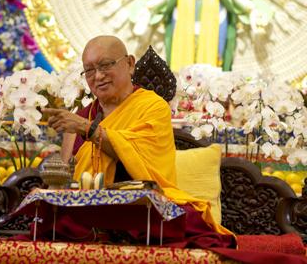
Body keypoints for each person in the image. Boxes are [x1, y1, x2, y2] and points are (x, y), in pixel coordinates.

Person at [43, 35, 234, 246]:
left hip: (142, 210)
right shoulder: (82, 117)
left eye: (105, 65)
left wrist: (86, 129)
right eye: (89, 70)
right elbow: (63, 183)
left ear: (130, 64)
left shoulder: (153, 107)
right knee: (53, 221)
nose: (98, 76)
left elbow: (135, 152)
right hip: (90, 213)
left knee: (178, 219)